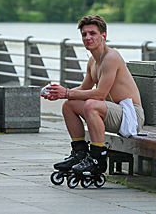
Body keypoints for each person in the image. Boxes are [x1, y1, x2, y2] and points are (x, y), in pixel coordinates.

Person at [42, 15, 145, 176]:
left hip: (131, 116)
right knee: (69, 105)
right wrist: (58, 93)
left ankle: (97, 159)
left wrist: (67, 93)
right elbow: (84, 89)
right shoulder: (93, 61)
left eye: (92, 33)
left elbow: (100, 94)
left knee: (91, 104)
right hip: (113, 112)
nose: (87, 38)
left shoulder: (111, 57)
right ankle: (79, 153)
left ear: (104, 36)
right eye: (84, 34)